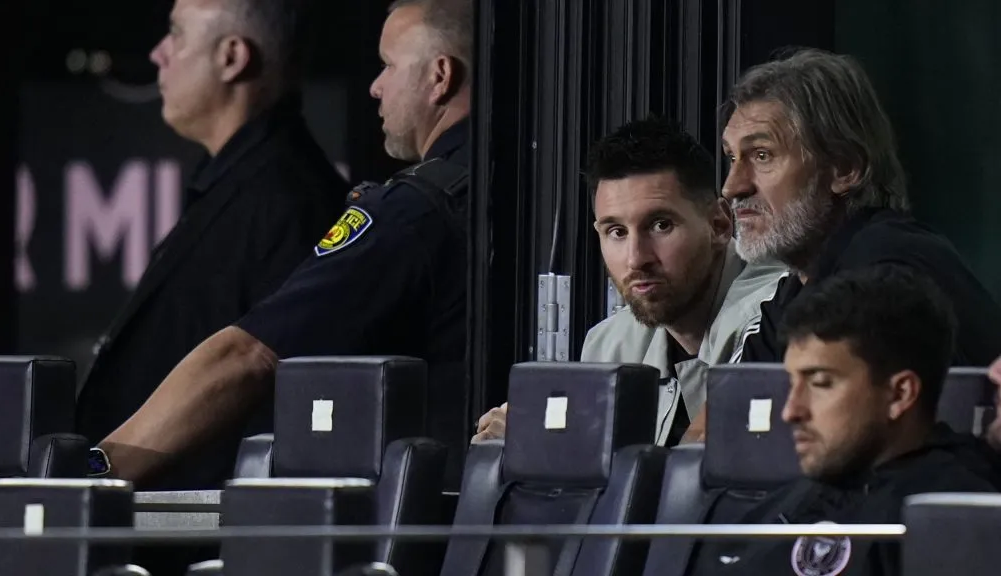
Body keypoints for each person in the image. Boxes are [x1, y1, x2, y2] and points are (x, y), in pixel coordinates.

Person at [88, 0, 474, 489]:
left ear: (440, 76)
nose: (375, 86)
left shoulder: (403, 208)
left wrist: (92, 476)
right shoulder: (497, 185)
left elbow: (251, 358)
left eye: (387, 65)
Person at [75, 0, 348, 489]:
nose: (159, 53)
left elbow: (263, 381)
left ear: (232, 57)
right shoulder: (239, 185)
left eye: (176, 34)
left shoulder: (287, 198)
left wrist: (95, 475)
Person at [473, 116, 785, 446]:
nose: (636, 258)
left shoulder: (774, 315)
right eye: (616, 232)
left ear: (720, 225)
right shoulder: (608, 346)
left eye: (660, 225)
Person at [686, 265, 1001, 576]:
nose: (790, 411)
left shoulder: (957, 521)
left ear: (900, 394)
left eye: (820, 383)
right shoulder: (778, 506)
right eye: (791, 385)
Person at [719, 48, 1001, 368]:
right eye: (731, 157)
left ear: (844, 169)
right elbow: (729, 409)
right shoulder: (796, 288)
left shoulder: (888, 272)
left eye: (761, 155)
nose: (732, 187)